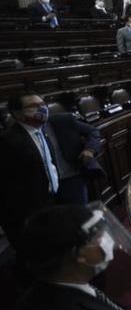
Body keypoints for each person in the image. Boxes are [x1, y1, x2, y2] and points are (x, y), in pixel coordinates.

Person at [0, 90, 102, 244]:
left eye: (42, 104)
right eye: (33, 106)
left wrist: (89, 150)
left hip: (64, 184)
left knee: (79, 224)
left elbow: (93, 132)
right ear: (17, 113)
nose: (41, 108)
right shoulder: (8, 141)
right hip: (37, 201)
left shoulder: (53, 125)